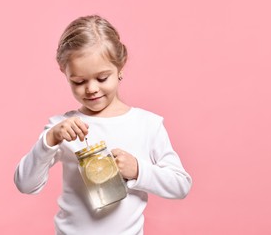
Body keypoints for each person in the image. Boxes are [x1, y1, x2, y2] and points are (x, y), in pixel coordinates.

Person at [14, 15, 192, 235]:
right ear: (65, 73)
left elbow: (181, 185)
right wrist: (49, 139)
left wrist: (138, 170)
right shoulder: (62, 128)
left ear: (120, 67)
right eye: (79, 82)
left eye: (102, 78)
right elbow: (25, 184)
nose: (91, 89)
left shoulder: (147, 125)